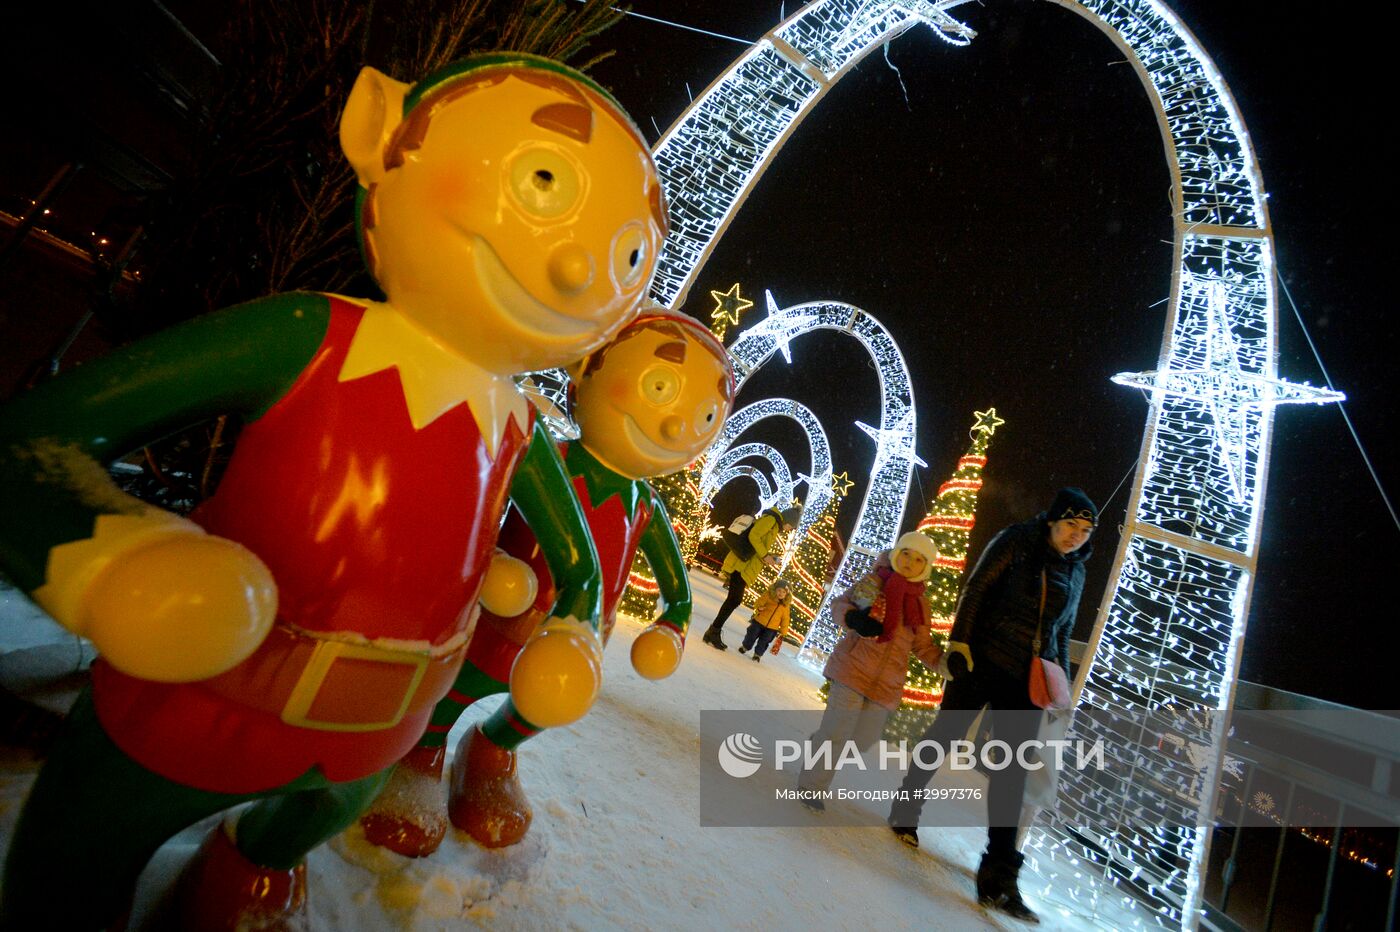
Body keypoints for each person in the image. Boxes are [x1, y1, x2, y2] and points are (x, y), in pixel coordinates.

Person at [887, 487, 1097, 924]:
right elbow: (977, 588)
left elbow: (1063, 629)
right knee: (945, 735)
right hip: (982, 658)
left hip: (1026, 680)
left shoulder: (1077, 570)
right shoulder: (1017, 540)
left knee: (1012, 771)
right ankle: (906, 808)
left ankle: (998, 877)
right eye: (1071, 525)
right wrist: (960, 642)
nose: (1077, 535)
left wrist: (1060, 684)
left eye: (1085, 529)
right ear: (1053, 520)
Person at [795, 532, 943, 808]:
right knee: (838, 732)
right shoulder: (874, 582)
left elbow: (924, 647)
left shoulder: (921, 606)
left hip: (886, 685)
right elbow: (840, 604)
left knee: (862, 741)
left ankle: (821, 742)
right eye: (907, 553)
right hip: (852, 669)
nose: (910, 561)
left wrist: (946, 664)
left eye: (919, 559)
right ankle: (812, 787)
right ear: (897, 553)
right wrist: (853, 618)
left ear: (926, 568)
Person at [702, 504, 801, 650]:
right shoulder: (771, 521)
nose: (789, 530)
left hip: (745, 565)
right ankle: (713, 631)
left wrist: (768, 556)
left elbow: (758, 543)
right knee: (735, 599)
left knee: (734, 599)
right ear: (788, 521)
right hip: (741, 564)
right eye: (791, 527)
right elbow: (753, 536)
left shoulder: (774, 525)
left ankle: (713, 631)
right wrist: (765, 555)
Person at [737, 579, 792, 662]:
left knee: (764, 641)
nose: (781, 593)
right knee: (751, 634)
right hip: (759, 621)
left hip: (772, 628)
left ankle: (757, 654)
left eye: (784, 592)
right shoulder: (768, 596)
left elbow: (785, 619)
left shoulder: (785, 606)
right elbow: (759, 602)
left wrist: (783, 631)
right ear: (775, 590)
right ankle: (745, 647)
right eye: (779, 590)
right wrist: (759, 607)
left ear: (787, 594)